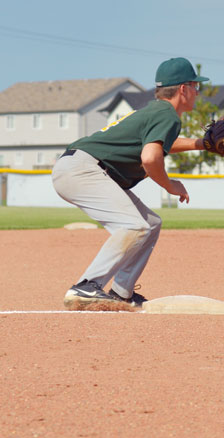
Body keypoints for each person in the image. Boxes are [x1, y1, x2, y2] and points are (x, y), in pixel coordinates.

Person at [52, 57, 210, 309]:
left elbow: (157, 143)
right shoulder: (168, 115)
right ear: (183, 89)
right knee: (133, 225)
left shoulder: (157, 111)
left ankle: (120, 292)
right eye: (195, 86)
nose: (196, 92)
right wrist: (171, 185)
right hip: (84, 170)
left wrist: (201, 143)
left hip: (79, 168)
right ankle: (87, 286)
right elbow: (150, 157)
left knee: (150, 223)